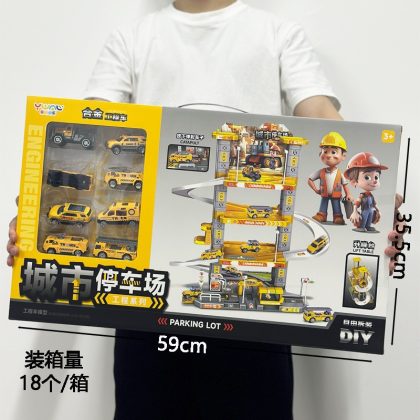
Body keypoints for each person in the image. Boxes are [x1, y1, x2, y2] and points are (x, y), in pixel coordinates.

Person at [6, 1, 403, 419]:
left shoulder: (276, 34)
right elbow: (90, 123)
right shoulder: (134, 38)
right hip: (149, 303)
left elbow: (321, 114)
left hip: (253, 316)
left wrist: (372, 191)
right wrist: (39, 208)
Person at [308, 132, 352, 224]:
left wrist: (348, 194)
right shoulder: (321, 172)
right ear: (320, 154)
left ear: (343, 156)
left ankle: (338, 216)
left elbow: (345, 185)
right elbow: (310, 180)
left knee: (336, 206)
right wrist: (315, 190)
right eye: (325, 151)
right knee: (323, 205)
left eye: (333, 152)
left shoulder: (340, 173)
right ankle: (321, 215)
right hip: (324, 194)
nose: (328, 155)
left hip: (336, 195)